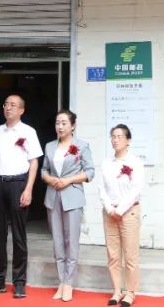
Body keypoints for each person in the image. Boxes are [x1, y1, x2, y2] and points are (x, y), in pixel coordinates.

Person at [0, 93, 43, 299]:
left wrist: (28, 189)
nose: (8, 108)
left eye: (13, 105)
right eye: (6, 104)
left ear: (21, 110)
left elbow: (34, 162)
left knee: (18, 235)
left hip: (19, 184)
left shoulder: (28, 132)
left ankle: (19, 281)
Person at [41, 109, 95, 302]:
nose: (60, 126)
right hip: (53, 196)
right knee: (57, 242)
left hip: (72, 197)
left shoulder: (82, 146)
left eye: (64, 123)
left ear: (73, 126)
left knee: (71, 241)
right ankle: (61, 281)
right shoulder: (49, 146)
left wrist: (69, 180)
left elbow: (90, 172)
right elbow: (44, 170)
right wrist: (50, 179)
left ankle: (69, 283)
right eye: (58, 123)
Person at [97, 124, 143, 307]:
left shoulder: (135, 162)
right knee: (113, 255)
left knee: (130, 255)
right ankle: (117, 291)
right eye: (113, 136)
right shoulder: (106, 163)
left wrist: (120, 210)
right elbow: (101, 188)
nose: (115, 140)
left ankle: (130, 292)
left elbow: (136, 190)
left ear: (128, 140)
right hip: (110, 213)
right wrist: (110, 209)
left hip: (128, 212)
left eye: (119, 136)